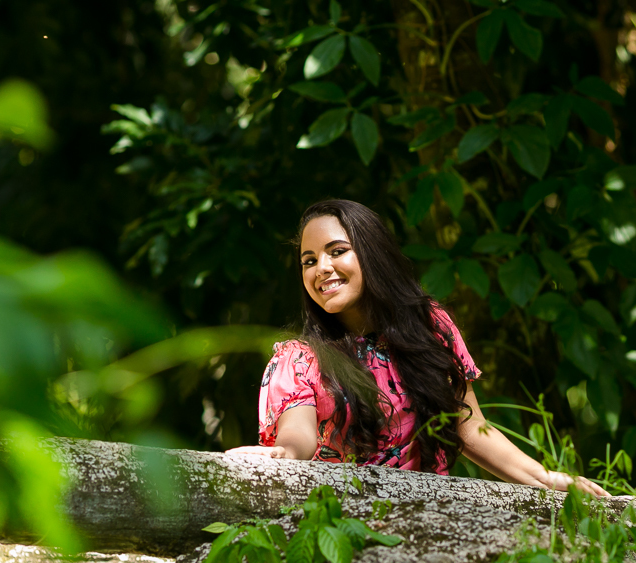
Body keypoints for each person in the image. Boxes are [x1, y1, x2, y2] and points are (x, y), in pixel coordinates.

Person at [226, 199, 608, 497]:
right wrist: (285, 454)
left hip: (437, 511)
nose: (320, 268)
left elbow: (469, 426)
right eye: (308, 260)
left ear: (372, 252)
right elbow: (299, 439)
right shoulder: (299, 358)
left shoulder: (431, 327)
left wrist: (544, 477)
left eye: (337, 251)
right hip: (346, 520)